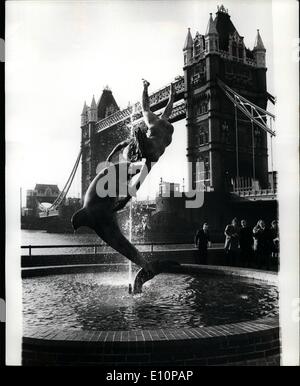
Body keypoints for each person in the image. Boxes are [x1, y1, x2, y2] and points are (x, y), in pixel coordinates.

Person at [72, 79, 177, 293]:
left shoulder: (154, 129)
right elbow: (153, 108)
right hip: (102, 204)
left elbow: (154, 108)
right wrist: (158, 91)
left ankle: (145, 269)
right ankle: (146, 269)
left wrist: (125, 199)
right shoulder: (154, 124)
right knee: (131, 166)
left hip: (104, 201)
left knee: (132, 167)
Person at [106, 79, 176, 210]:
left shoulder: (152, 151)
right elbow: (167, 111)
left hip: (154, 140)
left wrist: (110, 156)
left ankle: (145, 86)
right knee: (146, 112)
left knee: (145, 111)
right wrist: (172, 96)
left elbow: (139, 181)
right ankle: (145, 86)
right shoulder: (156, 127)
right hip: (159, 135)